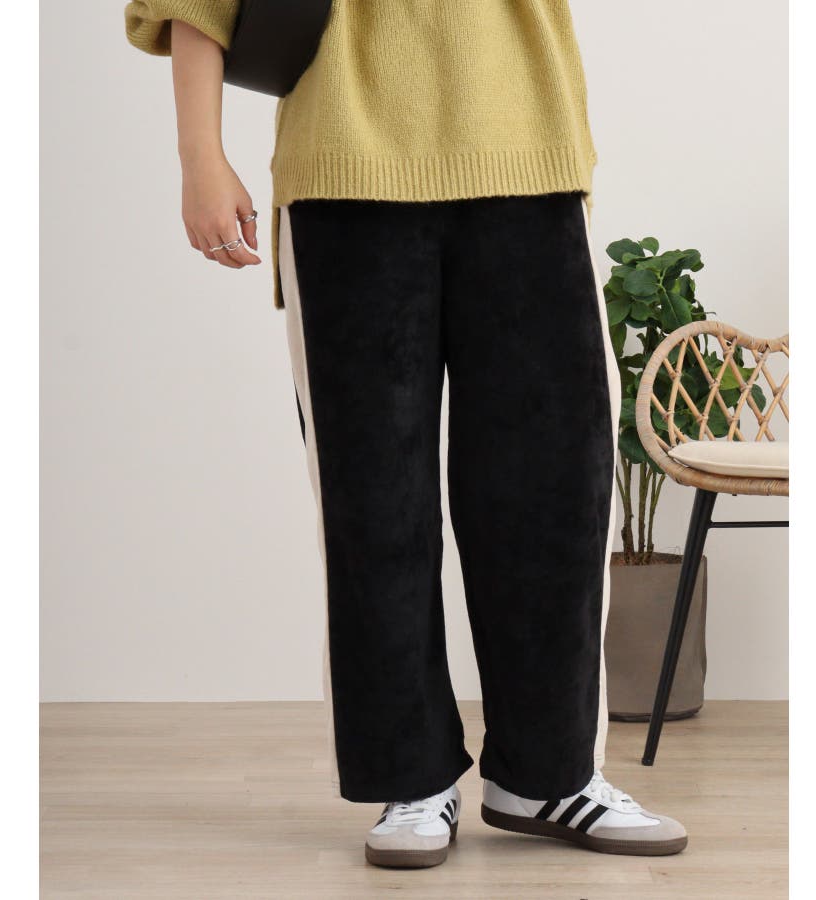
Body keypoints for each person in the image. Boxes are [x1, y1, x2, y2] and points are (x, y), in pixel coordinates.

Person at [124, 0, 688, 868]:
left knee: (552, 495)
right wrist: (201, 155)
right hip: (345, 168)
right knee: (374, 506)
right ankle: (411, 777)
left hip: (526, 153)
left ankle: (548, 776)